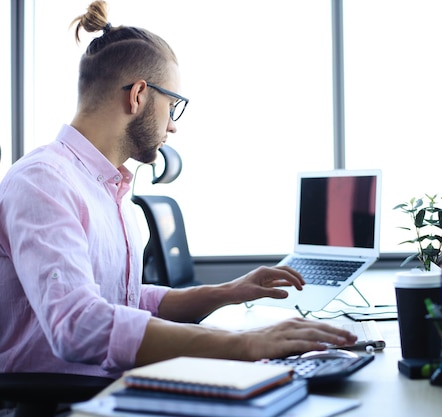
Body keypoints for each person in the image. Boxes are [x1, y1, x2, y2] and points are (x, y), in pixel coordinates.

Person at [0, 0, 356, 380]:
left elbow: (125, 300)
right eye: (173, 106)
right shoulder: (43, 181)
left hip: (108, 384)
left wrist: (227, 292)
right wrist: (244, 344)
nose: (173, 126)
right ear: (138, 95)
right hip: (61, 400)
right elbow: (78, 325)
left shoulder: (107, 189)